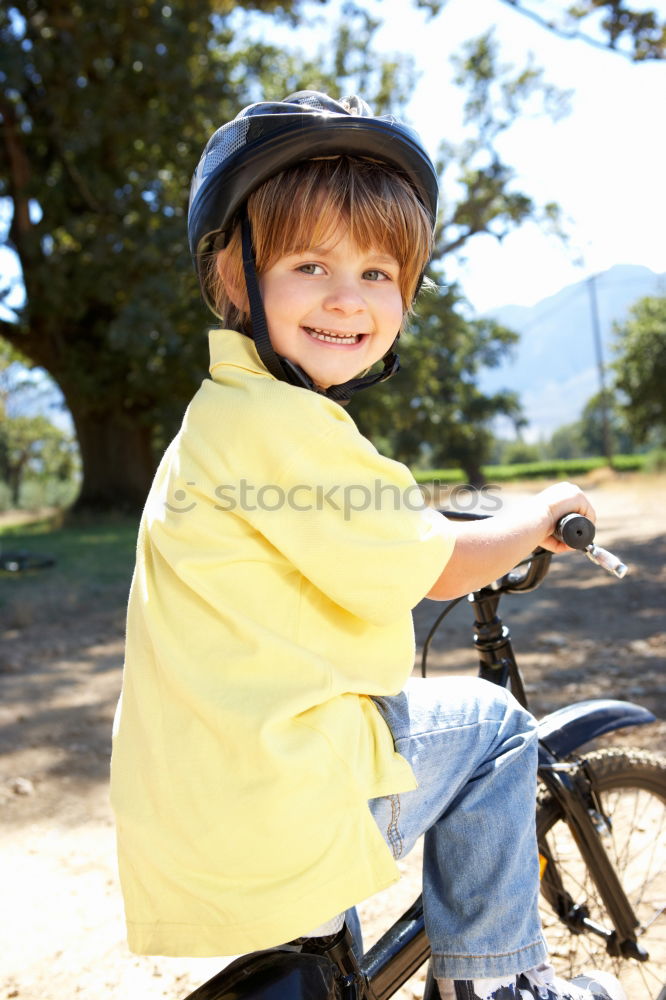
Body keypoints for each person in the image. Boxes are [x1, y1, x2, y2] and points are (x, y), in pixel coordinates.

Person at [110, 92, 626, 1000]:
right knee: (500, 729)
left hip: (209, 791)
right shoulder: (283, 423)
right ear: (236, 278)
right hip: (276, 794)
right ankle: (498, 985)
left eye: (380, 272)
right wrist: (541, 510)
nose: (348, 297)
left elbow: (355, 529)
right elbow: (439, 564)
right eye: (310, 263)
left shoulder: (226, 418)